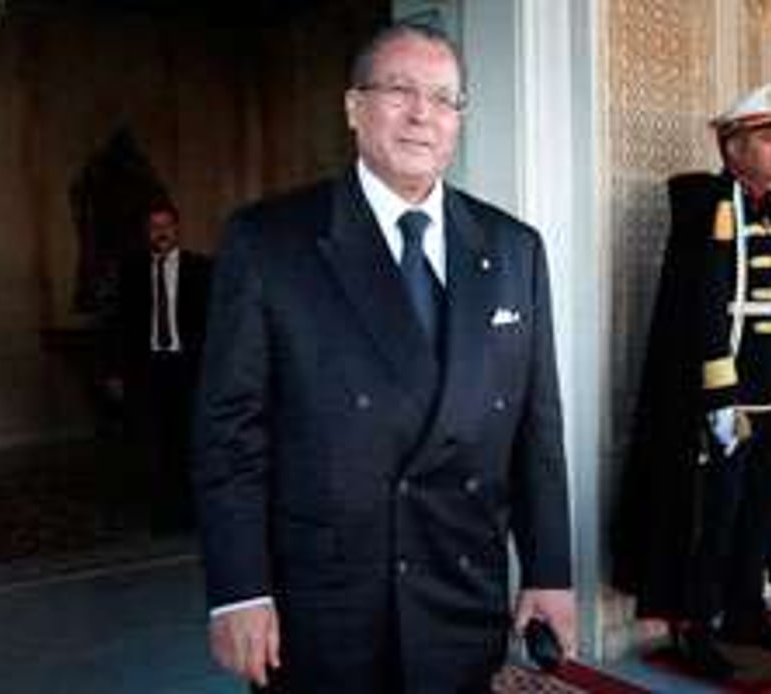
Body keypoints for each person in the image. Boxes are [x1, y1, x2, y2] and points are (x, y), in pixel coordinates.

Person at [192, 22, 576, 693]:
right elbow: (229, 435)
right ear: (352, 107)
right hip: (322, 598)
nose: (421, 114)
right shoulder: (269, 241)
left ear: (458, 118)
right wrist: (239, 592)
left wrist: (547, 570)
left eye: (442, 97)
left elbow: (536, 431)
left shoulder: (514, 248)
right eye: (397, 90)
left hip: (462, 585)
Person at [612, 84, 771, 679]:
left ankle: (746, 612)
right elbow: (705, 306)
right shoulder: (713, 207)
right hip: (730, 396)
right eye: (762, 138)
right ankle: (696, 627)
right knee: (716, 517)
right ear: (731, 148)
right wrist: (720, 397)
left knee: (762, 508)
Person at [103, 200, 212, 534]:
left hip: (190, 369)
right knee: (154, 445)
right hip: (148, 370)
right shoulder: (131, 272)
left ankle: (192, 515)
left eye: (166, 226)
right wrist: (115, 371)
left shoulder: (203, 269)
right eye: (154, 227)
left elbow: (220, 324)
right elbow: (118, 325)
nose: (161, 233)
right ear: (146, 232)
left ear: (178, 229)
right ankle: (163, 516)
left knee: (190, 442)